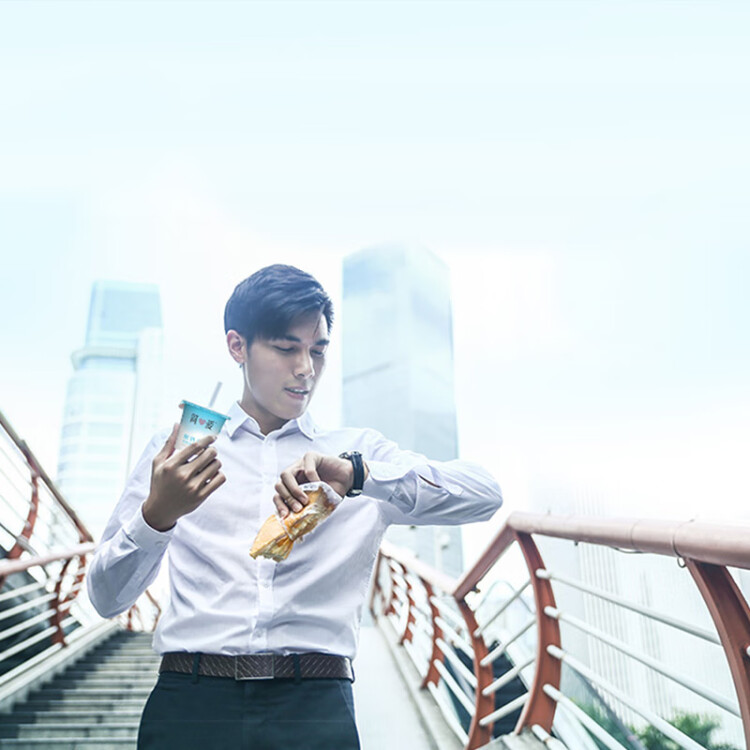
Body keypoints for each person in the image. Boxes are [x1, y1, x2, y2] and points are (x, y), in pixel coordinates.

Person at [87, 263, 503, 750]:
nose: (306, 368)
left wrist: (358, 475)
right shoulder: (180, 450)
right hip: (190, 704)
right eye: (287, 348)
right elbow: (106, 598)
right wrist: (157, 516)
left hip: (315, 708)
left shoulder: (354, 453)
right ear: (237, 346)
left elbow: (485, 494)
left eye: (318, 350)